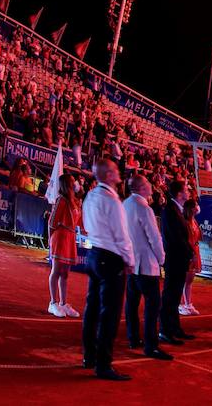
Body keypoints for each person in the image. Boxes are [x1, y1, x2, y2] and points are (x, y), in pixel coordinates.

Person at [82, 159, 135, 380]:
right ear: (107, 175)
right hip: (111, 257)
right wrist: (130, 260)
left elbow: (85, 222)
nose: (118, 173)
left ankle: (90, 356)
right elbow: (121, 234)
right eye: (114, 171)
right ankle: (103, 364)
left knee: (92, 308)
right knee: (109, 313)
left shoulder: (91, 196)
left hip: (94, 253)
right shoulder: (112, 201)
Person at [123, 175, 173, 361]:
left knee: (132, 303)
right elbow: (154, 237)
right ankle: (151, 345)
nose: (151, 186)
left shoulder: (125, 204)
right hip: (146, 264)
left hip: (131, 262)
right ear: (141, 188)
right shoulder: (144, 208)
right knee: (152, 306)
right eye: (148, 183)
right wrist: (162, 259)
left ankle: (133, 337)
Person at [159, 179, 195, 343]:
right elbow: (176, 238)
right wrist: (190, 252)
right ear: (180, 194)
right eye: (186, 190)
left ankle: (174, 328)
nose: (188, 192)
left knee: (174, 296)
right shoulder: (170, 211)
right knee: (170, 296)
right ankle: (166, 330)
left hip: (179, 259)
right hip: (174, 259)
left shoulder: (177, 210)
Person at [47, 173, 82, 317]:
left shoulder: (74, 201)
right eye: (73, 181)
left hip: (70, 238)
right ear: (67, 184)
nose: (76, 183)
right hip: (60, 238)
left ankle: (63, 303)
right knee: (56, 271)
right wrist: (50, 242)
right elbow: (51, 222)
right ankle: (53, 303)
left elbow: (79, 222)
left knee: (65, 273)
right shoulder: (61, 200)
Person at [179, 196, 202, 316]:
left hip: (195, 250)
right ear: (191, 208)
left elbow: (198, 236)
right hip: (189, 252)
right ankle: (181, 304)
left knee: (190, 279)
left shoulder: (194, 221)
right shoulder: (186, 222)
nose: (198, 207)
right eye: (196, 205)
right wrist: (191, 252)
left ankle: (188, 303)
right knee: (185, 279)